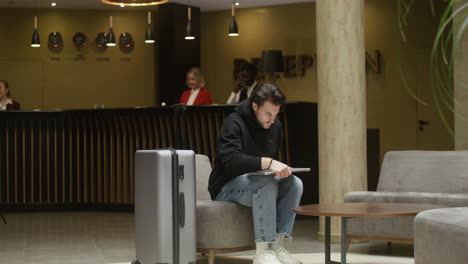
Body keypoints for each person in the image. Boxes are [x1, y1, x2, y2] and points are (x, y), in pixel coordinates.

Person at [210, 84, 303, 264]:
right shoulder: (233, 122)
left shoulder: (275, 126)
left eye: (276, 114)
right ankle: (263, 251)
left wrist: (277, 169)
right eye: (268, 114)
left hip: (256, 181)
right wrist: (268, 162)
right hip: (226, 186)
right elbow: (231, 160)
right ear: (254, 106)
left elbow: (269, 168)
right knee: (265, 183)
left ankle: (277, 246)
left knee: (294, 183)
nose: (272, 119)